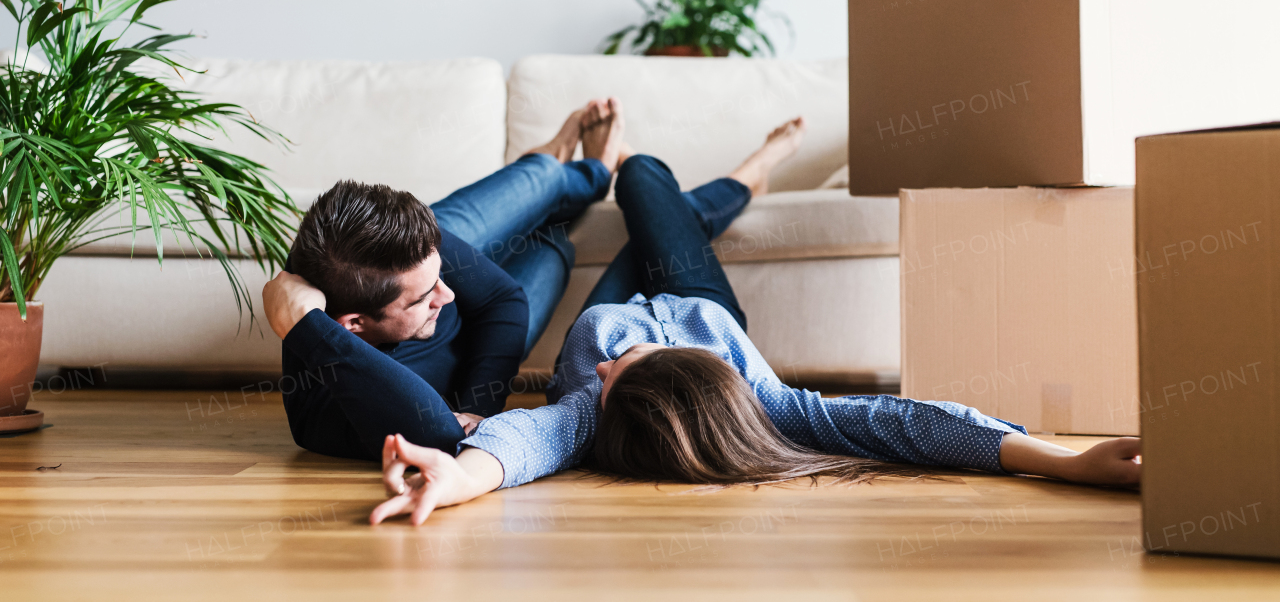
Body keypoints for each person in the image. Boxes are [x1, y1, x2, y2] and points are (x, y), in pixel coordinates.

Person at [355, 130, 1144, 526]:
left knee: (640, 190)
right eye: (616, 367)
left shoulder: (592, 412)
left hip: (624, 294)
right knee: (644, 177)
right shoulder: (762, 397)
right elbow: (898, 423)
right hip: (701, 295)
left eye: (603, 377)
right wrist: (1060, 459)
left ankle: (666, 174)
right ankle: (735, 173)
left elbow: (523, 443)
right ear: (699, 367)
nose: (597, 371)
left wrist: (455, 477)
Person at [266, 98, 627, 461]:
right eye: (423, 297)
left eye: (440, 278)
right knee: (555, 241)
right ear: (352, 326)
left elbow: (500, 298)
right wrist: (308, 329)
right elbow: (439, 434)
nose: (449, 294)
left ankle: (587, 171)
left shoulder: (367, 251)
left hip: (444, 247)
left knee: (544, 181)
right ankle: (546, 173)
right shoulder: (328, 414)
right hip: (473, 328)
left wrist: (476, 407)